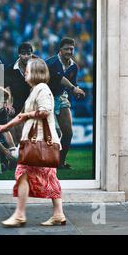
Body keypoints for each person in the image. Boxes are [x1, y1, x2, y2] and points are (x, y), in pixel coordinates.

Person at [0, 58, 66, 227]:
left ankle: (20, 215)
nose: (25, 73)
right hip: (40, 144)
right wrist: (6, 126)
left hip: (39, 143)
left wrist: (26, 116)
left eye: (27, 70)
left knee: (22, 174)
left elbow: (44, 111)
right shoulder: (35, 90)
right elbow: (22, 115)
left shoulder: (42, 89)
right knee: (49, 178)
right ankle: (58, 214)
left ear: (35, 72)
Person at [45, 37, 85, 169]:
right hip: (46, 98)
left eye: (71, 49)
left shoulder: (74, 66)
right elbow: (59, 79)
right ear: (60, 50)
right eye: (66, 49)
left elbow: (73, 84)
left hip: (61, 97)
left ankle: (60, 162)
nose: (69, 51)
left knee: (68, 133)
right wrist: (74, 88)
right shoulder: (51, 63)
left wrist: (76, 91)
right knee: (54, 133)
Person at [4, 41, 38, 144]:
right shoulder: (10, 69)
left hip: (34, 104)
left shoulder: (37, 66)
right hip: (17, 104)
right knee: (16, 133)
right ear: (19, 54)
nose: (26, 56)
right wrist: (9, 104)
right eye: (23, 53)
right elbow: (7, 88)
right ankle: (12, 155)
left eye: (29, 53)